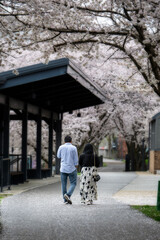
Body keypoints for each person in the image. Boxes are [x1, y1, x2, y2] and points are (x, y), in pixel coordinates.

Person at [57, 135, 78, 204]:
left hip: (63, 168)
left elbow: (58, 156)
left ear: (64, 141)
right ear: (71, 141)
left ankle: (65, 200)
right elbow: (76, 158)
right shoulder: (73, 148)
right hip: (71, 168)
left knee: (63, 184)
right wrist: (76, 165)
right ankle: (68, 194)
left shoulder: (61, 147)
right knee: (73, 183)